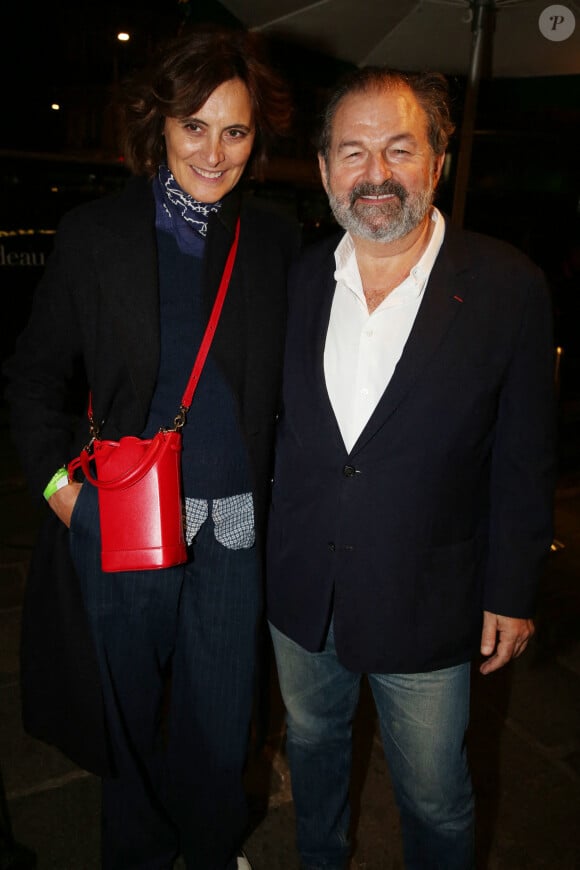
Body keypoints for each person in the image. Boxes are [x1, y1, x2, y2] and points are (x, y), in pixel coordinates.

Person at [2, 25, 299, 870]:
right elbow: (32, 380)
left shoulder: (275, 243)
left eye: (234, 130)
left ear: (257, 138)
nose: (213, 150)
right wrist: (64, 493)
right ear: (159, 123)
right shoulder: (96, 234)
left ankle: (209, 850)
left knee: (220, 714)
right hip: (126, 522)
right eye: (194, 124)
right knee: (125, 718)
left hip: (235, 527)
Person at [266, 66, 557, 870]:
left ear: (438, 162)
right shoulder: (294, 282)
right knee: (315, 758)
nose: (376, 174)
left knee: (435, 797)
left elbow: (526, 454)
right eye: (352, 152)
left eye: (399, 149)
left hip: (432, 600)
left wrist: (511, 589)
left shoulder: (507, 286)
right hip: (302, 597)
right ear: (324, 169)